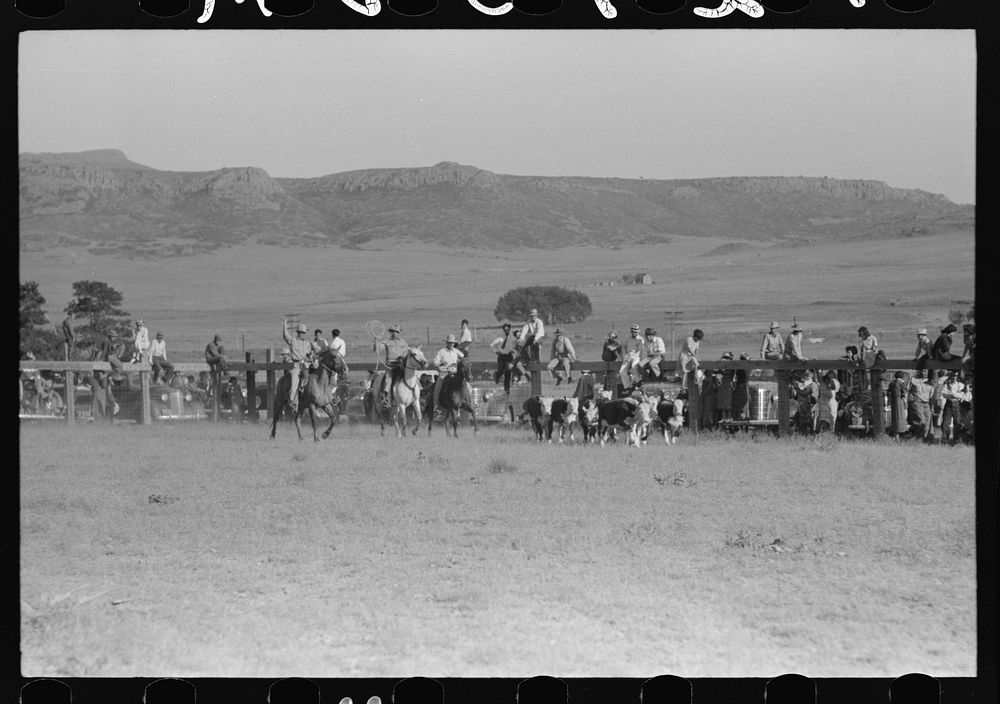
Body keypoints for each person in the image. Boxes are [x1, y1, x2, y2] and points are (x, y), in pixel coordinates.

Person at [282, 319, 314, 413]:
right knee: (294, 381)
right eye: (302, 332)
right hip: (296, 365)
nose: (304, 334)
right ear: (298, 333)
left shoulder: (308, 343)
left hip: (307, 365)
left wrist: (311, 357)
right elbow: (285, 336)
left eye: (305, 332)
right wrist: (284, 324)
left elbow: (311, 353)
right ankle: (293, 401)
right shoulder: (293, 341)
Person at [373, 324, 409, 405]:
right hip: (390, 365)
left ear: (398, 332)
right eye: (392, 331)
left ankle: (416, 395)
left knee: (411, 377)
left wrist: (403, 357)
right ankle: (386, 396)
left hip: (401, 365)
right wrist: (376, 340)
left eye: (396, 331)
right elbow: (378, 348)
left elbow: (407, 351)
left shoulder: (403, 342)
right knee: (388, 379)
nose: (394, 333)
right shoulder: (386, 342)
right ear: (390, 333)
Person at [432, 333, 466, 414]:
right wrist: (439, 366)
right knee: (437, 387)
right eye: (450, 342)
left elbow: (463, 357)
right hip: (444, 374)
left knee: (467, 385)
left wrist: (461, 361)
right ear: (447, 343)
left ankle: (467, 402)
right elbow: (435, 362)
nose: (451, 344)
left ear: (454, 343)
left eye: (453, 343)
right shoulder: (441, 352)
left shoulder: (457, 352)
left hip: (456, 374)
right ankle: (436, 405)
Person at [939, 371, 971, 445]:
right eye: (952, 375)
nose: (954, 377)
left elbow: (964, 396)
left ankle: (956, 440)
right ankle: (945, 440)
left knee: (957, 422)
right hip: (949, 404)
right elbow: (944, 395)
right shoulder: (946, 384)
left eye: (955, 376)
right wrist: (956, 394)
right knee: (946, 422)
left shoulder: (961, 385)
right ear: (950, 376)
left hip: (957, 405)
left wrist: (953, 394)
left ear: (957, 377)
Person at [490, 321, 518, 393]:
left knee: (508, 373)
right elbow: (492, 345)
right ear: (503, 330)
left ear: (509, 329)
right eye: (505, 329)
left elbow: (516, 347)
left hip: (509, 356)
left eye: (507, 329)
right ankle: (497, 376)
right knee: (501, 370)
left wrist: (513, 351)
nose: (506, 331)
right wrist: (496, 351)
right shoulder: (500, 338)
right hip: (502, 356)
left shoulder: (513, 338)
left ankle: (507, 389)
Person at [907, 370, 933, 441]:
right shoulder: (913, 380)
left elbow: (931, 394)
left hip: (926, 403)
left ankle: (925, 439)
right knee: (921, 420)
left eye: (926, 371)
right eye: (923, 371)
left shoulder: (929, 382)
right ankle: (919, 438)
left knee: (927, 421)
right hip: (917, 403)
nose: (925, 373)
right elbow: (907, 389)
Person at [600, 331, 624, 399]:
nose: (612, 338)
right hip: (606, 357)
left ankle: (622, 361)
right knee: (614, 349)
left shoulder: (617, 343)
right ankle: (621, 360)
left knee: (618, 348)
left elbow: (620, 350)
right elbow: (612, 349)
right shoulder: (607, 343)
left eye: (613, 337)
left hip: (613, 359)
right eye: (611, 337)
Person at [887, 371, 909, 438]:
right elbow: (904, 393)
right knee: (901, 417)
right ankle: (899, 434)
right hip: (900, 401)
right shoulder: (900, 383)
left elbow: (888, 392)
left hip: (893, 401)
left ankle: (895, 434)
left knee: (895, 417)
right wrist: (906, 402)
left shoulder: (892, 383)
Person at [732, 354, 751, 420]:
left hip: (742, 385)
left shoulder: (741, 367)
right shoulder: (741, 368)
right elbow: (742, 377)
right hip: (742, 385)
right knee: (742, 401)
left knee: (742, 401)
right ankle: (743, 416)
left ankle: (744, 415)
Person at [717, 352, 735, 420]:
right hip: (724, 385)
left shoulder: (731, 366)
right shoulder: (725, 364)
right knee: (724, 403)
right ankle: (724, 417)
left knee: (728, 403)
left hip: (727, 385)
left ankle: (728, 417)